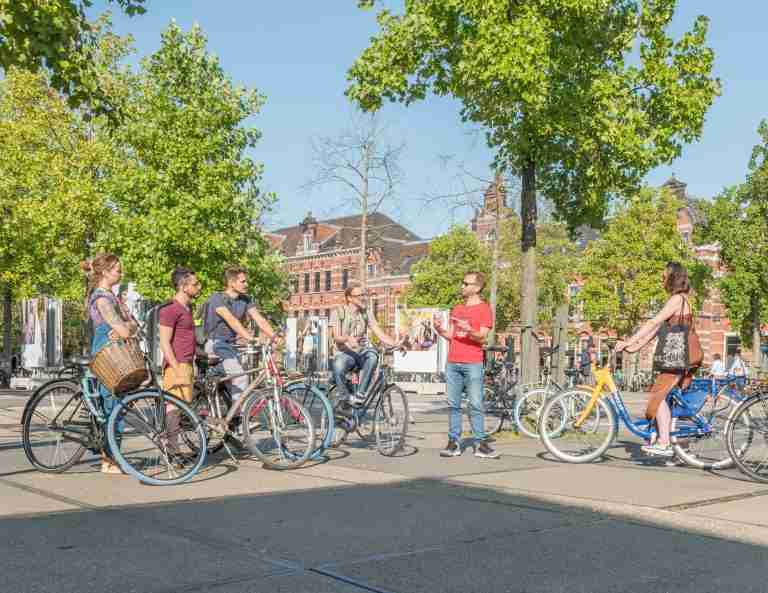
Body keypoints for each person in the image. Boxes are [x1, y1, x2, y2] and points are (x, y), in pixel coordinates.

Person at [616, 262, 701, 458]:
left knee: (658, 396)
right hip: (676, 357)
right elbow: (656, 331)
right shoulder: (678, 301)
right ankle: (680, 447)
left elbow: (653, 322)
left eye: (664, 276)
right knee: (672, 402)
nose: (661, 280)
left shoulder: (677, 299)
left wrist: (629, 340)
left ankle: (664, 443)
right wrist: (632, 347)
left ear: (673, 278)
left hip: (677, 358)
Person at [82, 254, 138, 475]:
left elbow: (133, 325)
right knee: (112, 406)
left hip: (118, 356)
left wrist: (127, 327)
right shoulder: (102, 299)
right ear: (105, 272)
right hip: (107, 358)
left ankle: (114, 456)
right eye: (117, 270)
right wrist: (126, 327)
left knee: (118, 405)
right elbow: (126, 329)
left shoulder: (114, 298)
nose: (121, 273)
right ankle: (109, 460)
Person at [433, 271, 499, 459]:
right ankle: (454, 442)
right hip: (453, 362)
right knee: (453, 405)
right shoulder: (458, 308)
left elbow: (482, 336)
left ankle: (480, 443)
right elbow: (452, 336)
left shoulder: (484, 309)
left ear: (477, 288)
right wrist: (439, 329)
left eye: (466, 283)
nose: (462, 286)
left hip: (473, 362)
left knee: (476, 404)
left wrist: (470, 330)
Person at [204, 266, 279, 401]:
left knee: (236, 381)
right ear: (231, 283)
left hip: (230, 346)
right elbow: (232, 321)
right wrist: (250, 338)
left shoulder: (245, 300)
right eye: (243, 281)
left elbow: (260, 320)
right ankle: (240, 417)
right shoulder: (217, 298)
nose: (247, 284)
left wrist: (275, 338)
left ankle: (231, 416)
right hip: (216, 344)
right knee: (240, 376)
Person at [329, 282, 400, 407]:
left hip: (359, 353)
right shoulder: (339, 313)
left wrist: (396, 344)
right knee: (338, 365)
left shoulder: (366, 313)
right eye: (359, 295)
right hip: (344, 353)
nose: (362, 298)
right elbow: (337, 337)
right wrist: (347, 338)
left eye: (364, 295)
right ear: (349, 298)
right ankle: (345, 398)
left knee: (373, 355)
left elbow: (379, 333)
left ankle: (360, 395)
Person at [158, 268, 202, 462]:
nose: (198, 287)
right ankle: (172, 451)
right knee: (173, 408)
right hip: (177, 365)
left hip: (187, 363)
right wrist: (175, 367)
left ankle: (174, 449)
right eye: (195, 283)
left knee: (182, 407)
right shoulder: (170, 309)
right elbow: (164, 342)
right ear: (183, 287)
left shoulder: (187, 309)